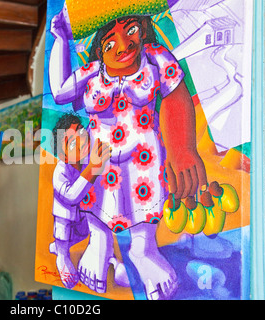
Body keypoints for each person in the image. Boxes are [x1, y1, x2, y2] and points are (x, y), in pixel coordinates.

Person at [49, 3, 208, 299]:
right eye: (109, 41)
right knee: (99, 215)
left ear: (142, 29)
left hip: (144, 164)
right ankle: (99, 244)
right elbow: (59, 92)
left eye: (131, 30)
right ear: (99, 48)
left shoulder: (155, 58)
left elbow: (176, 94)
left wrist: (183, 147)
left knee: (142, 221)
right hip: (101, 165)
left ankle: (142, 252)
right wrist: (59, 38)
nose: (123, 45)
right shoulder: (92, 72)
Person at [49, 113, 111, 289]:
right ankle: (61, 255)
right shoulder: (60, 173)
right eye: (73, 143)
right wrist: (92, 168)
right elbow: (71, 196)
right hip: (67, 221)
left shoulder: (87, 158)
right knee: (63, 222)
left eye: (82, 134)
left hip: (85, 221)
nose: (82, 141)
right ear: (63, 154)